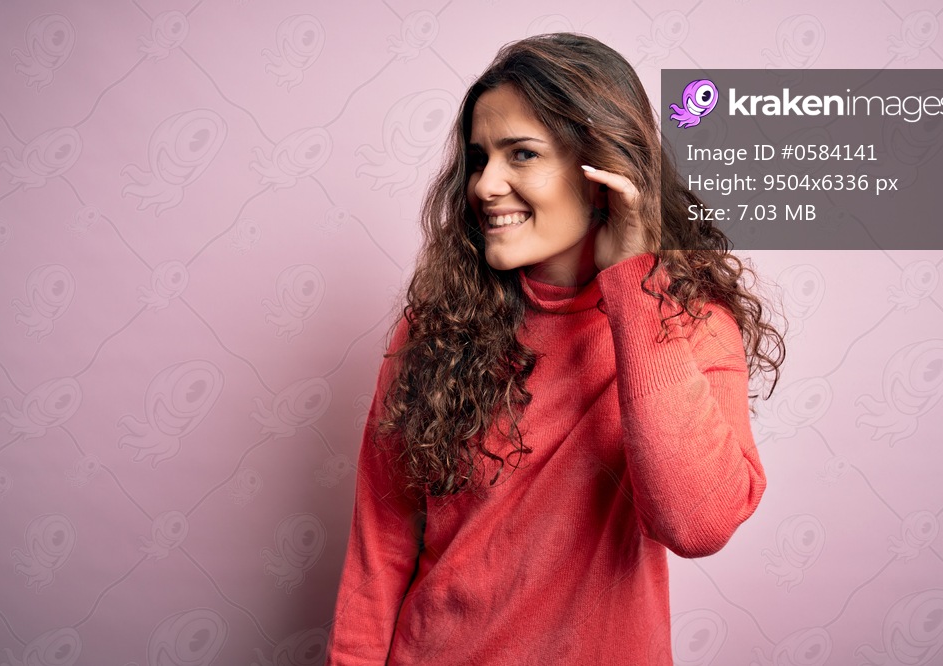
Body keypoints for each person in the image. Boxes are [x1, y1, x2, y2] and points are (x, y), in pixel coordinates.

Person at [326, 32, 785, 665]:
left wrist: (633, 282)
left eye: (522, 154)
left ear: (603, 171)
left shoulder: (692, 326)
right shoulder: (435, 330)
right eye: (480, 158)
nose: (486, 185)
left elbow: (697, 524)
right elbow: (380, 547)